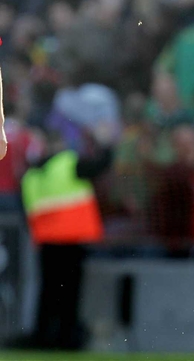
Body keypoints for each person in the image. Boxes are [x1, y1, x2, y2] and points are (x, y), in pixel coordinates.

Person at [20, 124, 114, 349]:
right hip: (72, 240)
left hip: (46, 243)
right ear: (60, 145)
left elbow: (29, 213)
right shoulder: (68, 164)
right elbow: (101, 166)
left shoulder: (31, 175)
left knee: (47, 292)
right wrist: (106, 144)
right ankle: (66, 338)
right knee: (70, 293)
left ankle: (43, 337)